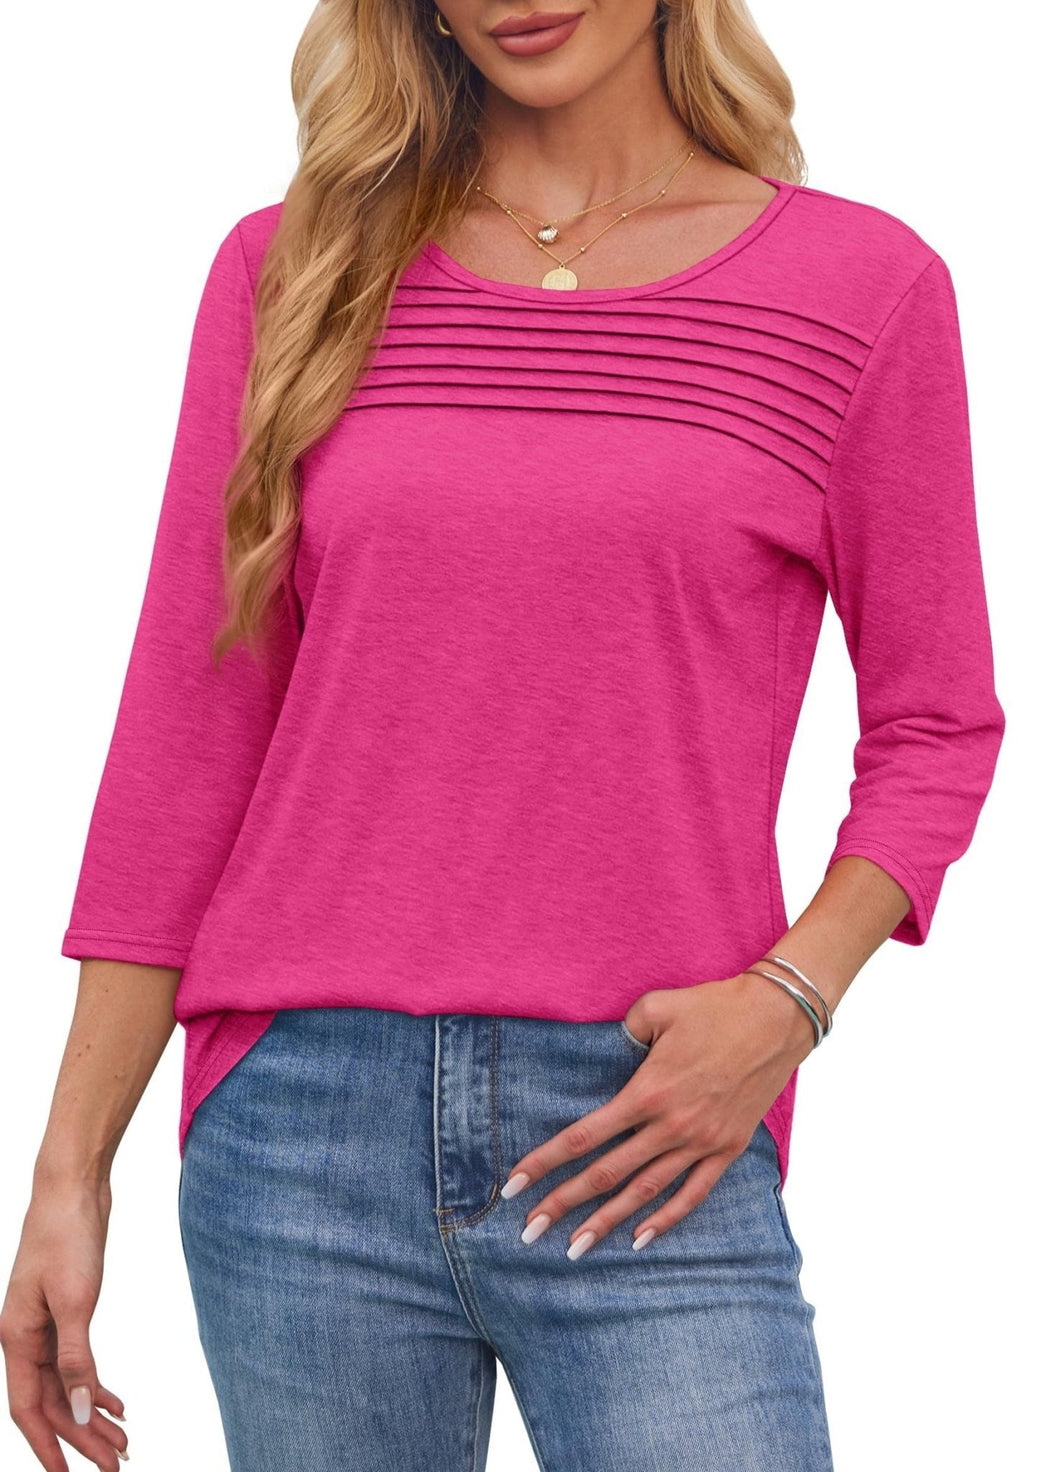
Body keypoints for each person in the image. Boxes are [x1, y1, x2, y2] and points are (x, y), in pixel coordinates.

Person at [1, 1, 1006, 1468]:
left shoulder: (858, 288)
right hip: (300, 1135)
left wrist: (787, 1001)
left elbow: (937, 722)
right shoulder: (294, 271)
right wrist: (68, 1171)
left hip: (653, 1119)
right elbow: (190, 732)